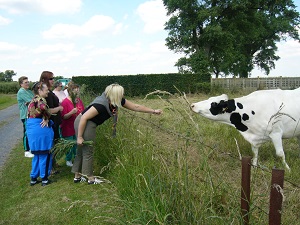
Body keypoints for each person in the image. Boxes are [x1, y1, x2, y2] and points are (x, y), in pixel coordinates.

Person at [72, 83, 162, 184]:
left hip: (84, 121)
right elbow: (84, 117)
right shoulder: (100, 105)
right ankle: (90, 178)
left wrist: (153, 111)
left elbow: (136, 107)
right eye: (121, 93)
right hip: (85, 123)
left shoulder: (116, 101)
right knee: (88, 149)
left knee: (81, 149)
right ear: (116, 95)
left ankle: (77, 176)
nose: (123, 95)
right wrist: (79, 137)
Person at [26, 82, 54, 186]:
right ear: (40, 90)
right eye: (46, 89)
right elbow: (43, 108)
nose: (48, 91)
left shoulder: (32, 100)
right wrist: (47, 117)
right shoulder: (40, 100)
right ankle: (44, 178)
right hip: (40, 130)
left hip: (32, 129)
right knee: (45, 154)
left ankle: (33, 178)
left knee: (37, 155)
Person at [39, 71, 63, 172]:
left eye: (53, 78)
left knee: (55, 143)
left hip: (55, 123)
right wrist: (59, 108)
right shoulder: (46, 94)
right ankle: (51, 167)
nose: (53, 80)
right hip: (51, 123)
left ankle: (53, 163)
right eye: (51, 78)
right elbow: (47, 110)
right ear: (45, 79)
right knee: (51, 145)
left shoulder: (49, 92)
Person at [61, 83, 84, 167]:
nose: (77, 92)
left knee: (77, 144)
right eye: (76, 91)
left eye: (78, 90)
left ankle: (77, 158)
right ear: (70, 92)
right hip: (68, 127)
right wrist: (71, 112)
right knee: (70, 144)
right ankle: (68, 159)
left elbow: (82, 111)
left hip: (77, 127)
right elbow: (63, 117)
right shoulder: (65, 102)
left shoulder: (78, 101)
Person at [17, 76, 34, 158]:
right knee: (27, 132)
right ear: (21, 84)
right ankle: (26, 150)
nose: (28, 83)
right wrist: (32, 100)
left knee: (31, 132)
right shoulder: (21, 92)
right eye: (25, 82)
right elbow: (33, 101)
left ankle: (31, 148)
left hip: (31, 115)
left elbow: (35, 98)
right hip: (25, 115)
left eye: (28, 82)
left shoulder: (29, 91)